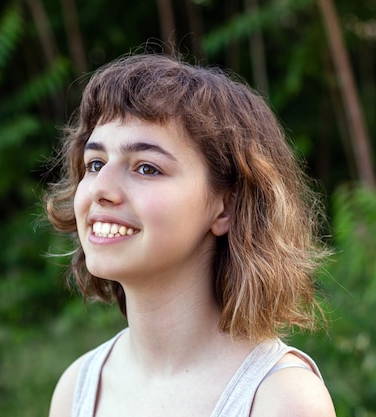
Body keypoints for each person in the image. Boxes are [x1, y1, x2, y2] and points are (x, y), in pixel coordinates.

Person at [44, 53, 336, 417]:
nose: (100, 188)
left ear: (225, 208)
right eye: (95, 164)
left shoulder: (279, 400)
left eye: (147, 168)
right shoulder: (78, 390)